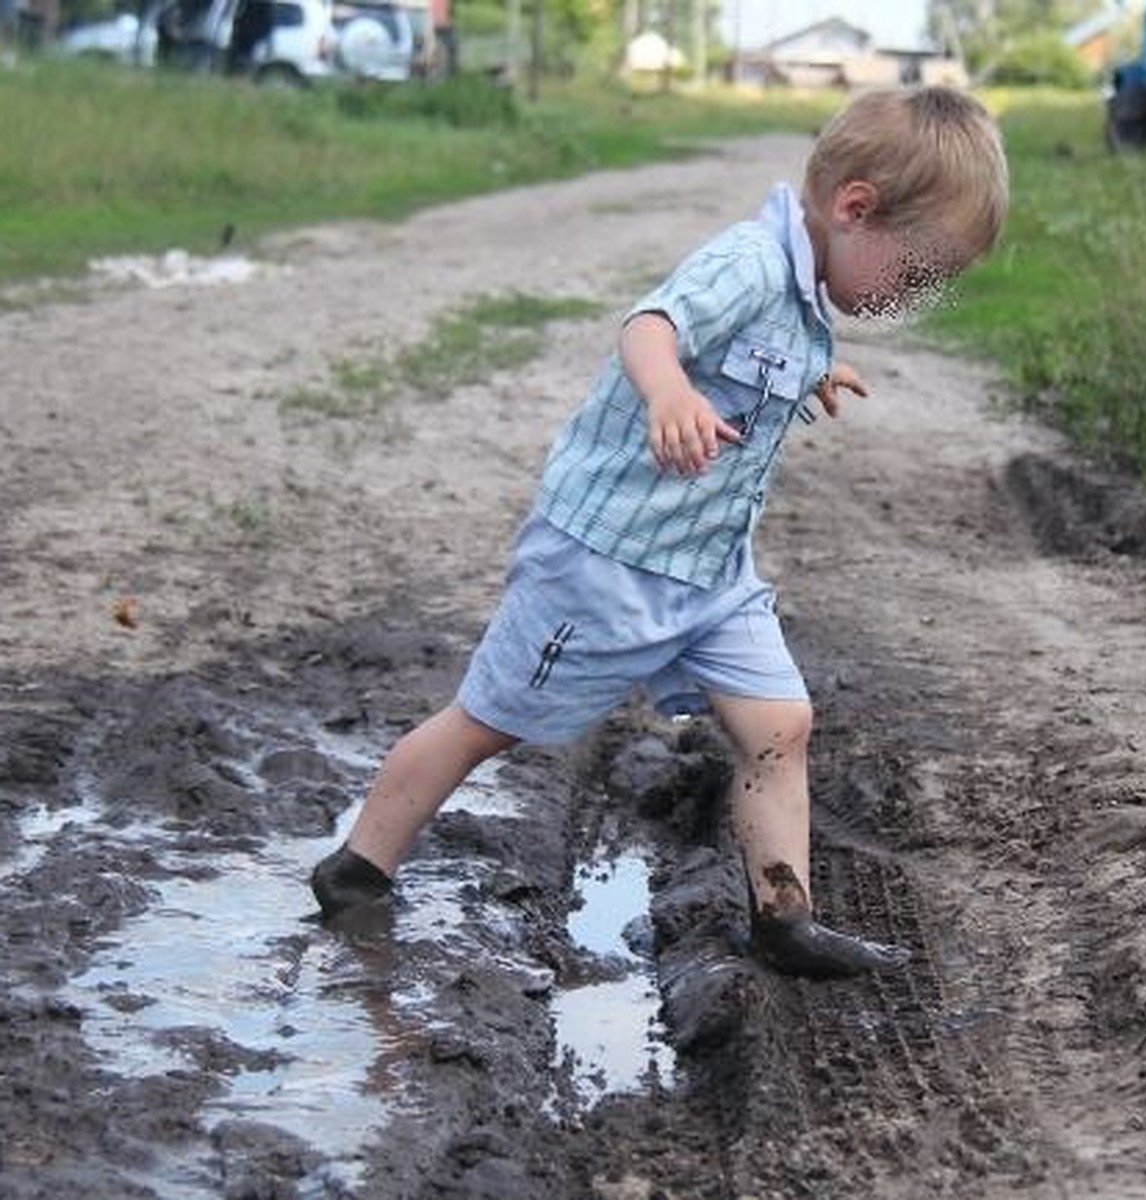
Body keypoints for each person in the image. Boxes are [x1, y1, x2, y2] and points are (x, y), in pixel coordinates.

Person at [310, 85, 1009, 980]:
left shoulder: (800, 297)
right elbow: (650, 326)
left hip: (710, 573)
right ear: (856, 208)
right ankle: (357, 867)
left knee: (780, 725)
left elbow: (764, 352)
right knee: (491, 718)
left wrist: (813, 371)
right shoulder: (749, 264)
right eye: (918, 272)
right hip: (605, 559)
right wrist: (670, 390)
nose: (919, 294)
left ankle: (783, 919)